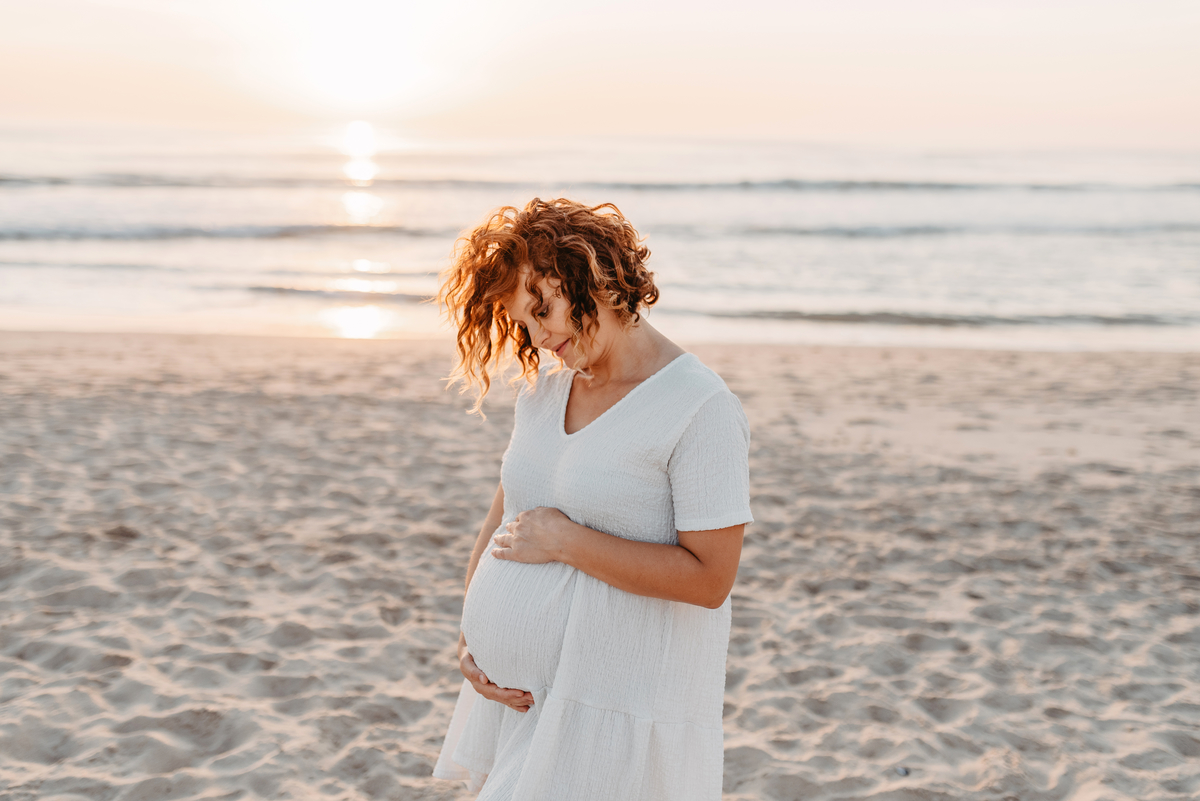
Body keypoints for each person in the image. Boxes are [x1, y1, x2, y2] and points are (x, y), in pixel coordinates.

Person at [431, 197, 753, 801]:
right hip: (521, 707)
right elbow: (505, 512)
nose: (537, 335)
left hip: (612, 716)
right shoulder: (546, 394)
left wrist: (568, 542)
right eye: (522, 323)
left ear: (594, 274)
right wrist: (470, 638)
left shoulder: (699, 408)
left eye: (542, 309)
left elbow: (711, 580)